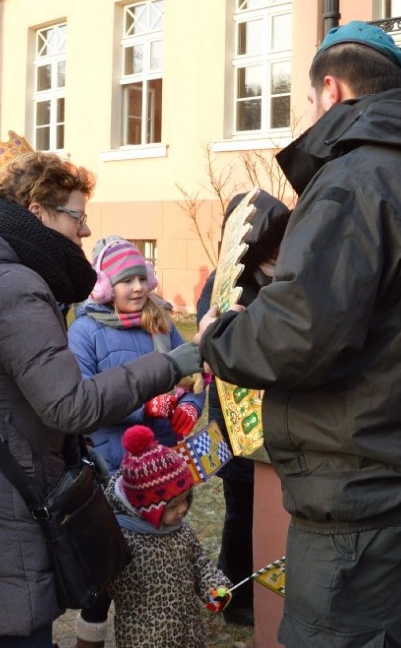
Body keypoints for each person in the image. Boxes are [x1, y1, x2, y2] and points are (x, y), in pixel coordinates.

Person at [196, 20, 401, 647]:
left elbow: (297, 336)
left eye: (310, 100)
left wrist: (218, 335)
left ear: (331, 90)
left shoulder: (357, 178)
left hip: (364, 485)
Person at [0, 149, 202, 647]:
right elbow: (70, 405)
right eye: (77, 216)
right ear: (35, 210)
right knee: (17, 634)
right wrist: (172, 365)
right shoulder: (10, 285)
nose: (84, 231)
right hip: (5, 500)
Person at [68, 236, 205, 648]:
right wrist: (147, 405)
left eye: (141, 278)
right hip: (112, 474)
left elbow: (193, 373)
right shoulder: (86, 331)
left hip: (164, 472)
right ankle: (89, 639)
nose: (138, 288)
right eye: (126, 281)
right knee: (108, 571)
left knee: (164, 559)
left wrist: (192, 405)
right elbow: (82, 403)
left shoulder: (161, 322)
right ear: (105, 287)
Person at [195, 189, 290, 627]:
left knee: (270, 509)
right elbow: (210, 343)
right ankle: (235, 597)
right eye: (267, 249)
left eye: (280, 246)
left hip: (276, 418)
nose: (276, 256)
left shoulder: (288, 278)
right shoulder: (224, 285)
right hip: (235, 420)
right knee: (239, 510)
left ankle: (261, 588)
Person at [104, 425, 232, 648]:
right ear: (147, 508)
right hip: (145, 638)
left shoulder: (181, 530)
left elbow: (200, 564)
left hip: (188, 631)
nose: (183, 510)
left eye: (186, 499)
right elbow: (101, 588)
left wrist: (215, 588)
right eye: (173, 506)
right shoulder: (121, 539)